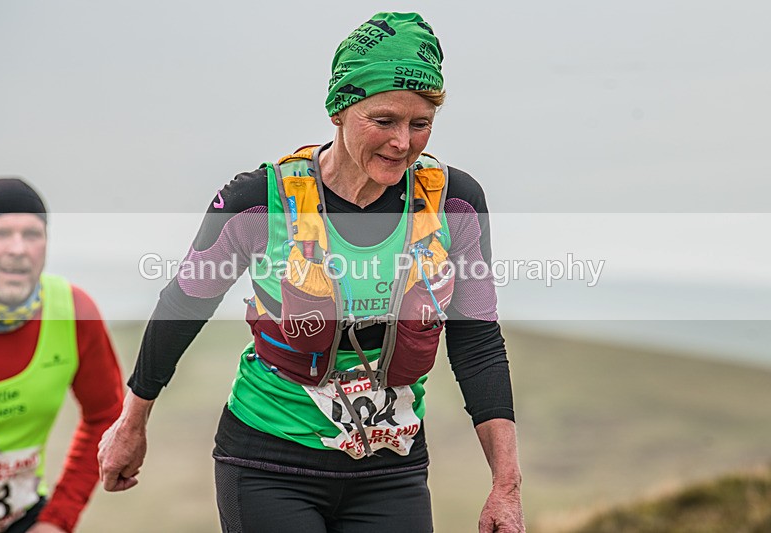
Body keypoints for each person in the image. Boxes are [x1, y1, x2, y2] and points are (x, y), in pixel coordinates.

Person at [98, 12, 525, 532]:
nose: (402, 143)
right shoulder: (259, 202)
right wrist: (132, 422)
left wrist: (506, 485)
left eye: (420, 124)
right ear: (339, 110)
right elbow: (184, 305)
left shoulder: (454, 203)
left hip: (392, 468)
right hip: (268, 464)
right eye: (384, 121)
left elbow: (477, 339)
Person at [0, 178, 124, 533]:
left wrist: (58, 519)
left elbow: (105, 415)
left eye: (32, 233)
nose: (18, 248)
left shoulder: (72, 311)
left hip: (18, 517)